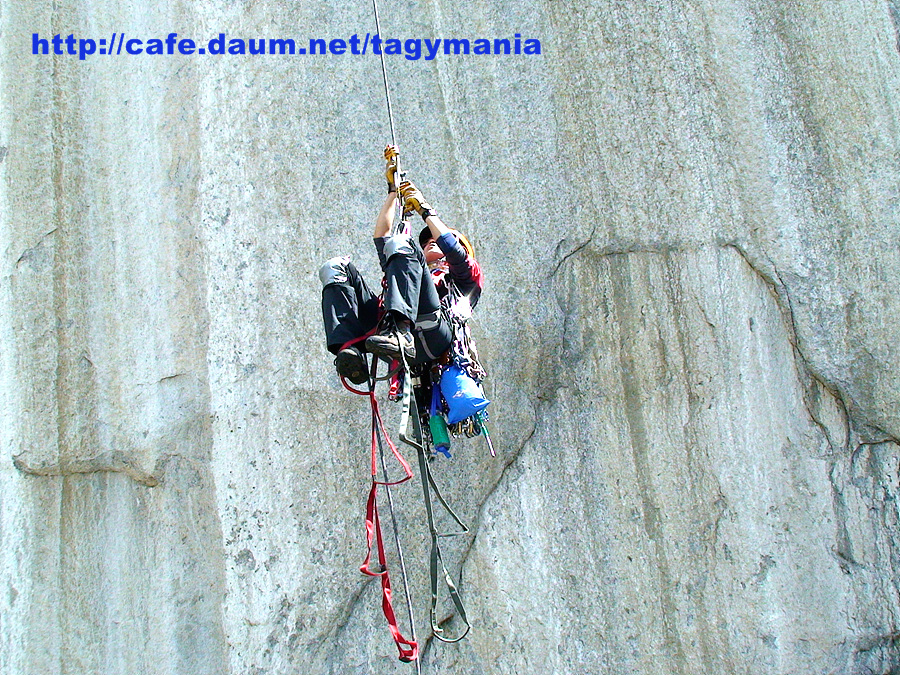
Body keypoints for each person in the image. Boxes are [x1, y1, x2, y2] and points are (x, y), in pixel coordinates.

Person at [319, 147, 483, 384]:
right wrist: (393, 191)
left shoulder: (466, 277)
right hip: (390, 338)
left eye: (435, 239)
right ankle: (350, 349)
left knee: (400, 243)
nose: (429, 242)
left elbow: (451, 247)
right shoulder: (406, 267)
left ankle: (401, 331)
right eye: (425, 241)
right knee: (335, 267)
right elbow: (382, 236)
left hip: (434, 331)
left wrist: (425, 210)